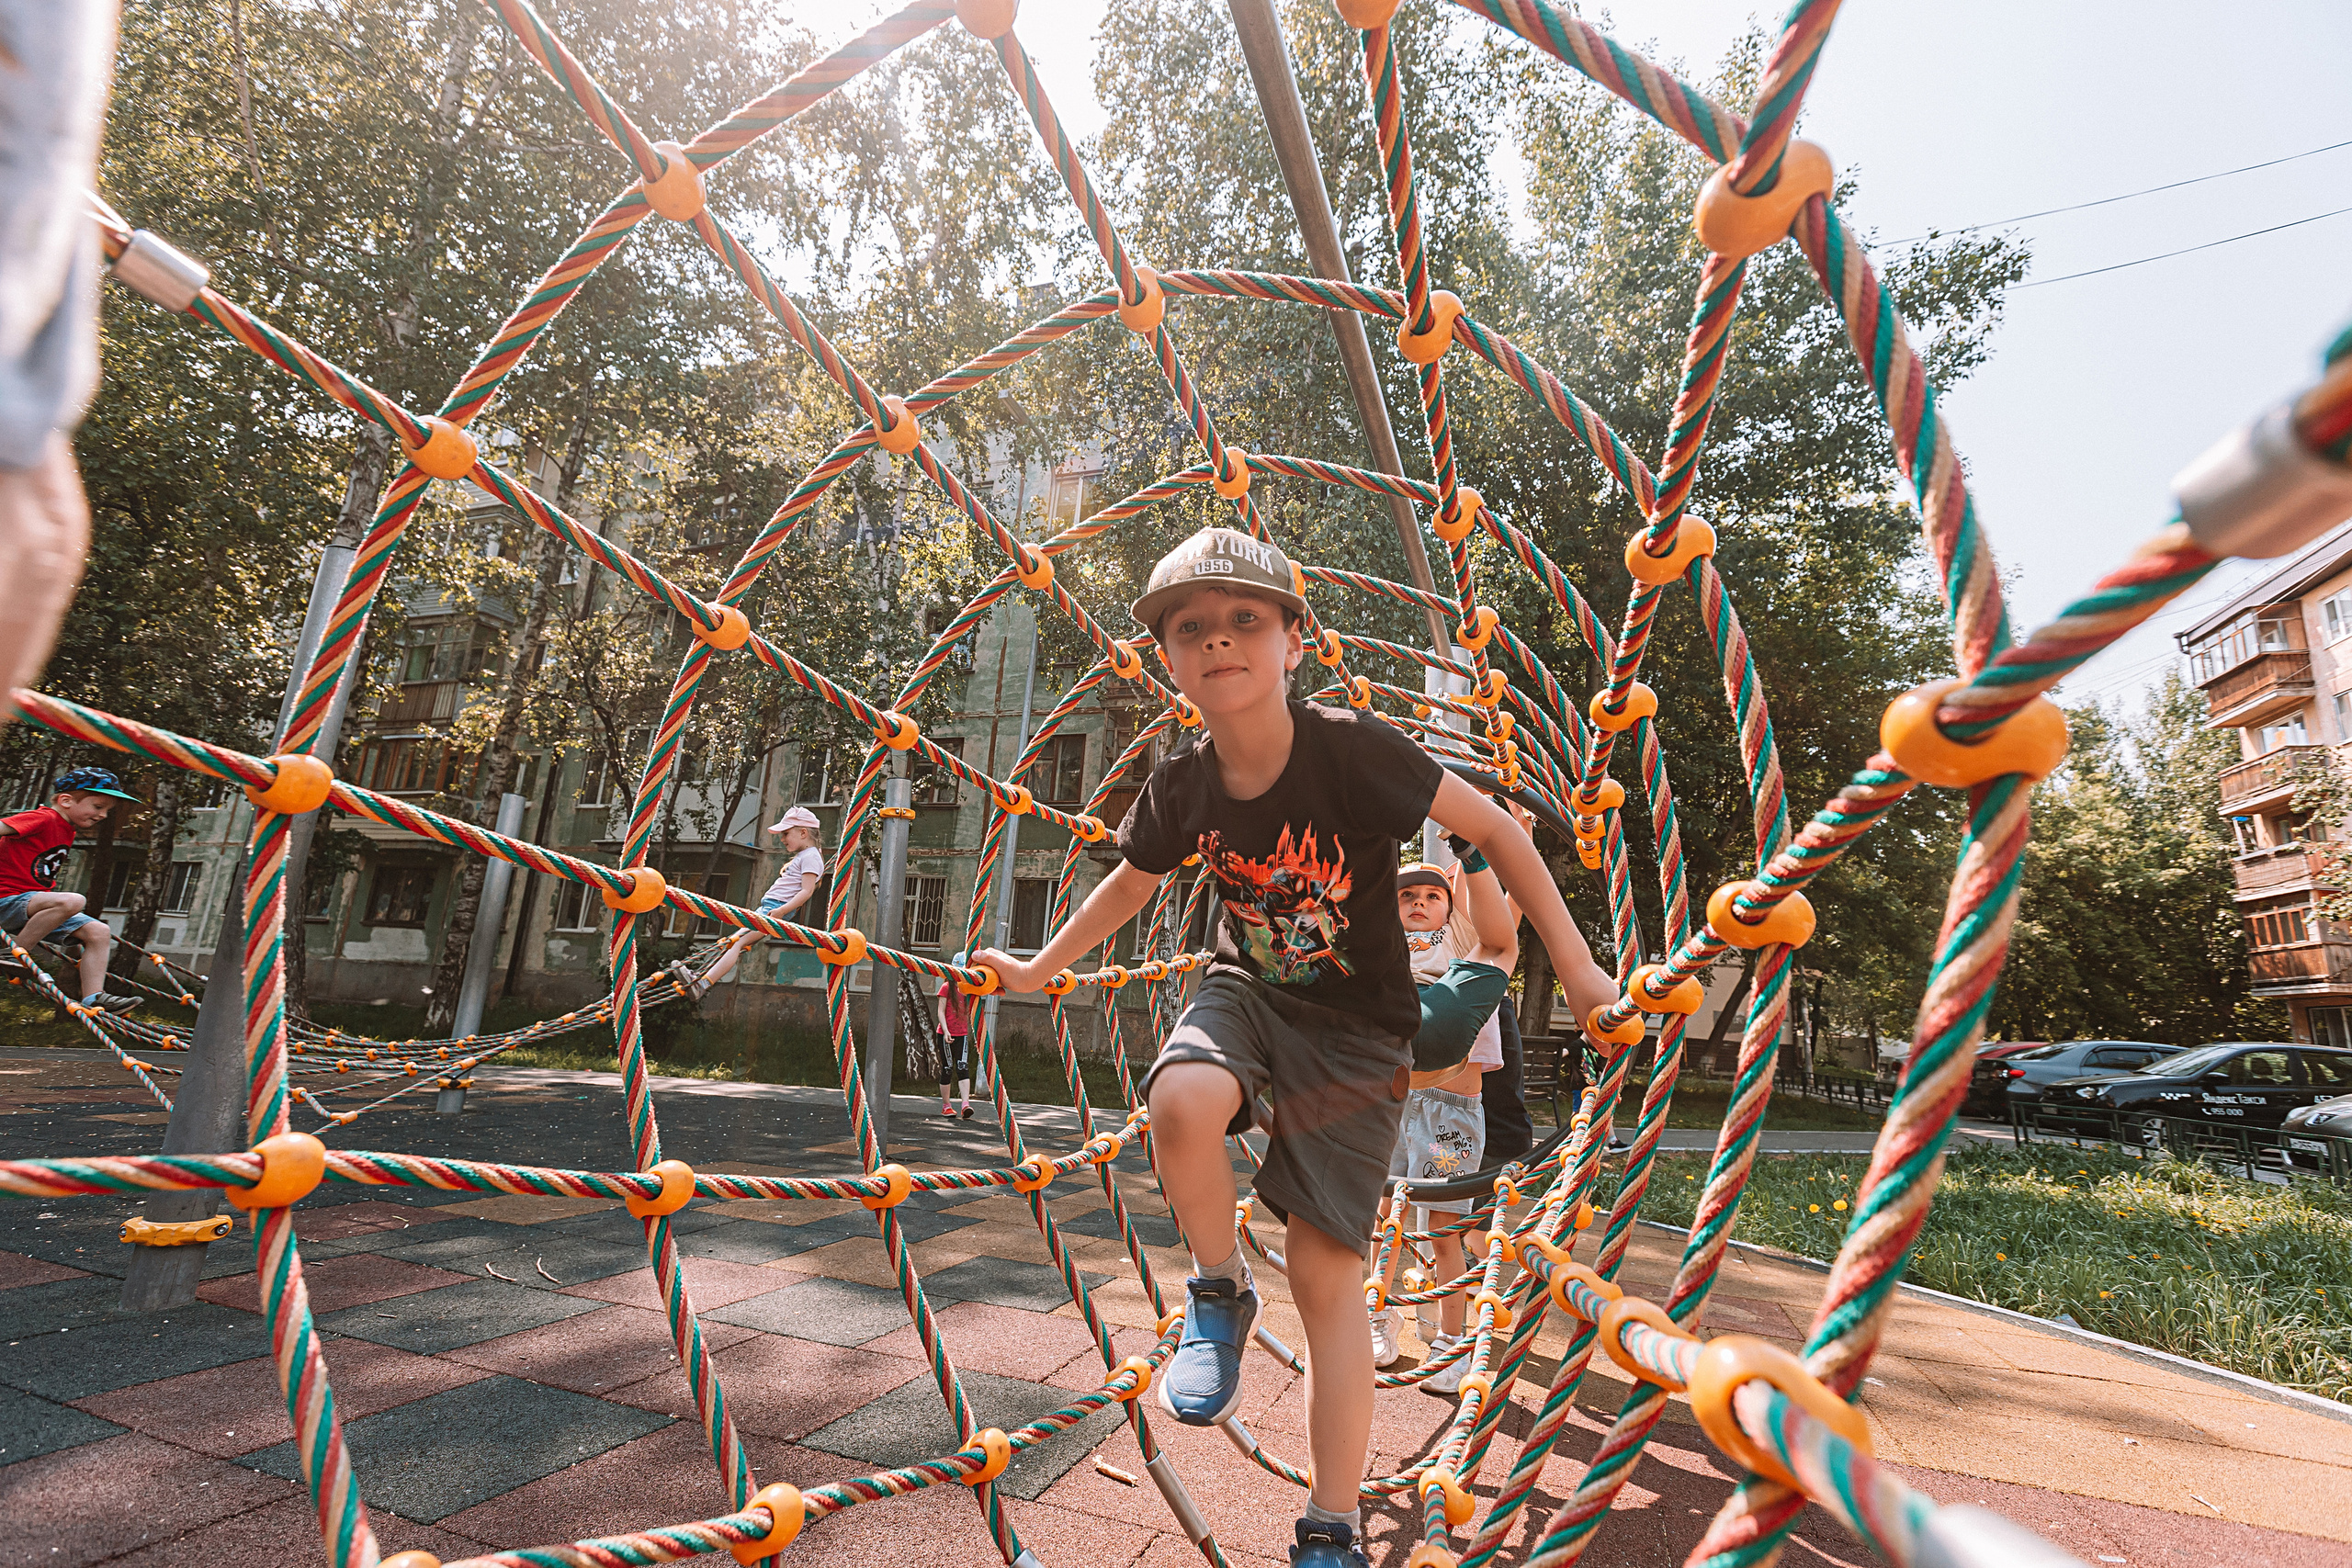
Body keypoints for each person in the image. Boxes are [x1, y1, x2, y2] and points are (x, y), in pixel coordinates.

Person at [971, 525, 1618, 1568]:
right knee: (1180, 1103)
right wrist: (1043, 968)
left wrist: (1580, 970)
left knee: (1326, 1279)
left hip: (1362, 1035)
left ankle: (1329, 1521)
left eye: (1244, 621)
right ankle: (1218, 1287)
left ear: (1292, 643)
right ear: (1169, 660)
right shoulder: (1181, 783)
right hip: (1250, 993)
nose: (1218, 643)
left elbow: (1497, 829)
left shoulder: (1351, 750)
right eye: (1192, 630)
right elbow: (1132, 881)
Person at [1372, 853, 1517, 1384]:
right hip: (1392, 1101)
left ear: (1451, 908)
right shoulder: (1383, 945)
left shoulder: (1463, 944)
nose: (1419, 903)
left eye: (1433, 896)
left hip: (1450, 1111)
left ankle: (1453, 1342)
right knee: (1384, 1218)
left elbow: (1499, 907)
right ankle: (1377, 1317)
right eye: (1408, 896)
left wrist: (1513, 837)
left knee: (1443, 1227)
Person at [0, 765, 143, 1013]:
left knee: (99, 931)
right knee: (73, 901)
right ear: (66, 800)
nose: (103, 815)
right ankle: (14, 954)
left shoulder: (67, 828)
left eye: (108, 810)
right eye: (98, 806)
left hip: (28, 908)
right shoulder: (44, 818)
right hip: (6, 899)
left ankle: (94, 997)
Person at [685, 806, 824, 995]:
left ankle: (703, 984)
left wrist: (781, 911)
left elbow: (806, 891)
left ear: (803, 832)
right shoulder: (806, 856)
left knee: (737, 943)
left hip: (775, 910)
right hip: (770, 908)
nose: (782, 839)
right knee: (733, 941)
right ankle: (699, 977)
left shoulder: (811, 857)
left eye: (785, 833)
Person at [936, 949, 975, 1118]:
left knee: (963, 1067)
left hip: (962, 1034)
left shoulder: (969, 990)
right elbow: (940, 1011)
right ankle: (946, 1105)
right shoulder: (946, 987)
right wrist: (945, 1031)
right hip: (946, 1034)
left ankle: (965, 1104)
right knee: (947, 1068)